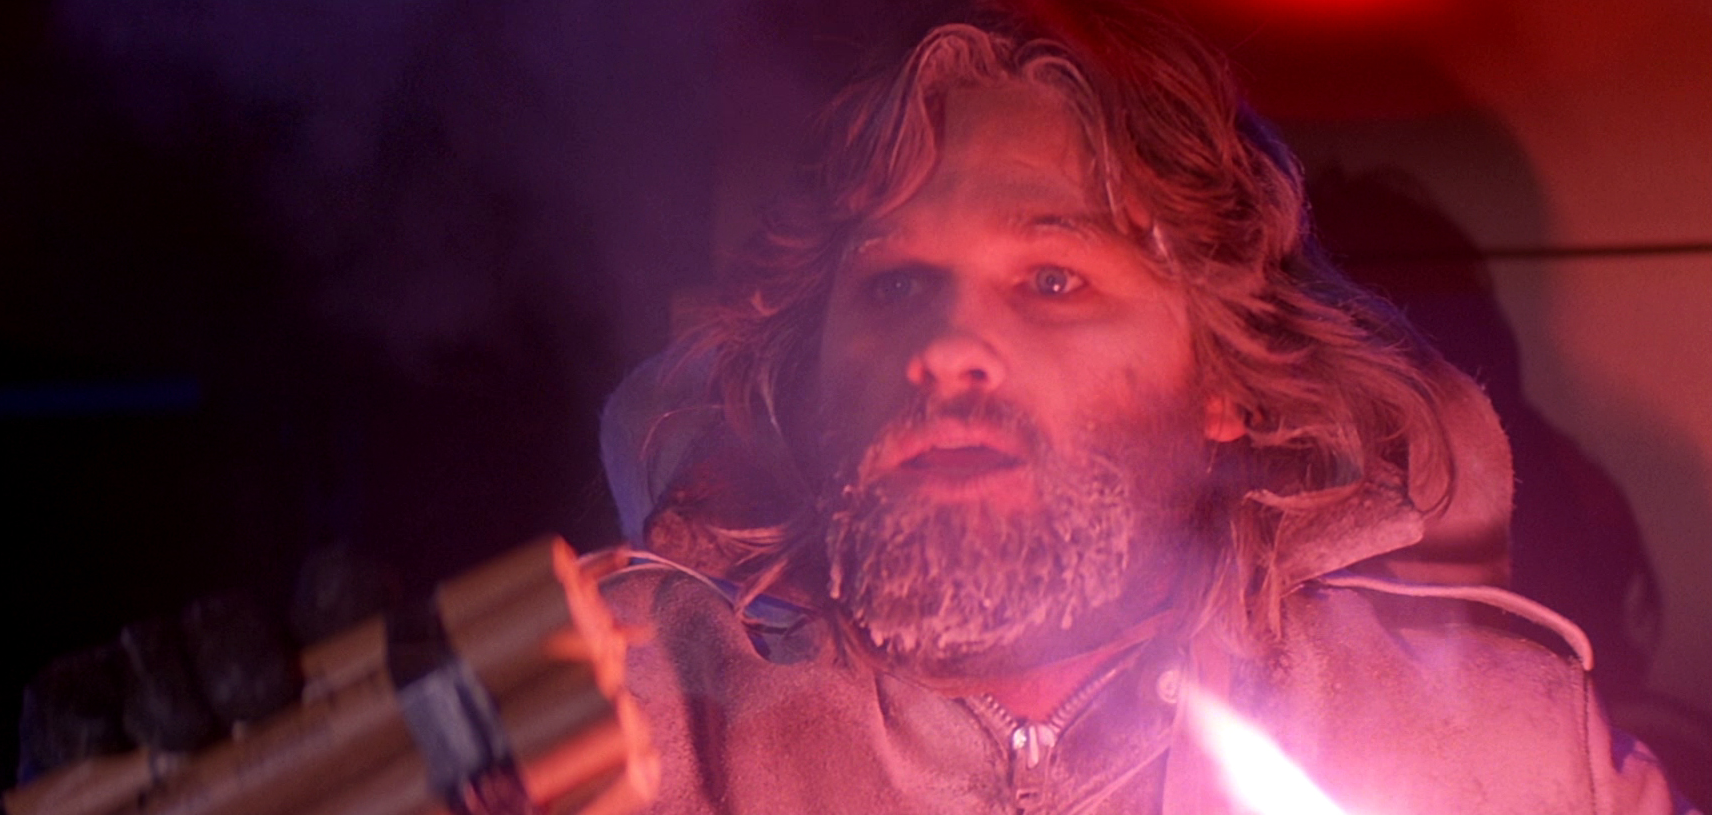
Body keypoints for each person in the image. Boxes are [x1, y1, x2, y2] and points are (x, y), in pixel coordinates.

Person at [596, 3, 1697, 813]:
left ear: (1223, 381)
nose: (943, 348)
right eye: (892, 285)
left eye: (1051, 280)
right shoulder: (626, 732)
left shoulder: (1497, 752)